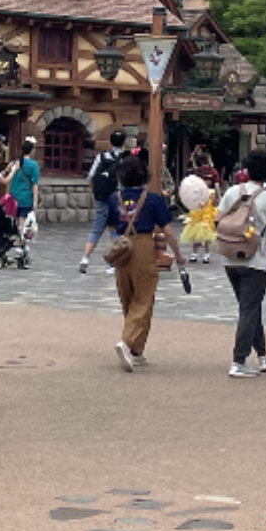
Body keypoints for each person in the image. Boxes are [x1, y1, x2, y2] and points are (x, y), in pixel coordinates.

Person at [215, 162, 266, 374]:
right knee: (249, 308)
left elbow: (217, 219)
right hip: (256, 261)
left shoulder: (233, 191)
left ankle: (262, 355)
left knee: (250, 306)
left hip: (230, 258)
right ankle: (238, 361)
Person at [108, 151, 182, 369]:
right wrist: (178, 254)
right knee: (145, 297)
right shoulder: (153, 199)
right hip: (143, 246)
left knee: (128, 297)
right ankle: (126, 341)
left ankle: (136, 350)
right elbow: (168, 230)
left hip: (122, 248)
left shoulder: (115, 198)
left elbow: (111, 226)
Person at [78, 131, 127, 273]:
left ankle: (85, 258)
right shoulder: (124, 159)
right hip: (118, 198)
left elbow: (91, 176)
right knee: (116, 231)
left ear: (110, 142)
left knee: (96, 229)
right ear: (123, 142)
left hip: (102, 197)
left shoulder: (101, 156)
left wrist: (97, 193)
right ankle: (112, 264)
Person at [10, 136, 42, 239]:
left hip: (14, 195)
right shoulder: (34, 165)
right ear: (32, 151)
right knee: (22, 222)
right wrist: (35, 201)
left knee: (16, 219)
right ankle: (21, 243)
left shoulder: (15, 163)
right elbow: (35, 184)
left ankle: (19, 242)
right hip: (26, 196)